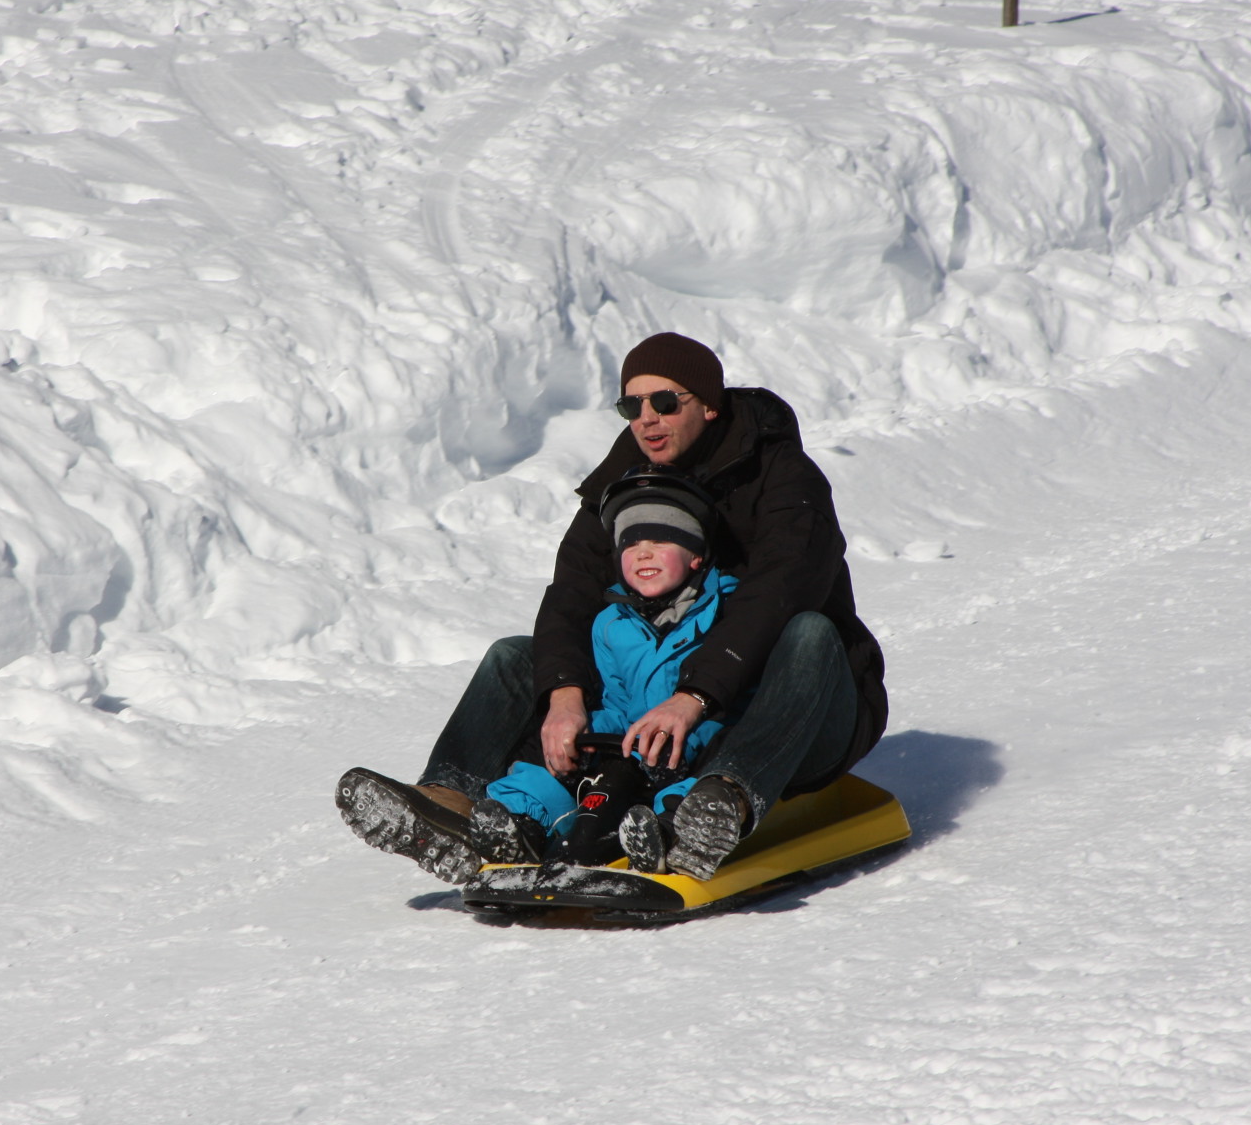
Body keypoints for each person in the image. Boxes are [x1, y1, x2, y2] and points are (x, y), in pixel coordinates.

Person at [336, 331, 886, 884]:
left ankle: (717, 807)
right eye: (633, 405)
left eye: (667, 401)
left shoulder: (785, 477)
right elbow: (572, 593)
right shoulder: (627, 478)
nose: (647, 418)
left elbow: (779, 594)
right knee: (515, 658)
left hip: (807, 711)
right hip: (664, 698)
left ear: (709, 404)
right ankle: (448, 803)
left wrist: (693, 697)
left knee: (809, 632)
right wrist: (564, 695)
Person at [467, 465, 735, 872]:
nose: (643, 551)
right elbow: (617, 699)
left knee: (698, 782)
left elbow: (734, 700)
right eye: (631, 543)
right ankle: (520, 821)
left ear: (695, 555)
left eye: (661, 539)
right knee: (561, 765)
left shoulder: (725, 615)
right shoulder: (611, 624)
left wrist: (677, 742)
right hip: (629, 750)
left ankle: (670, 833)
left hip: (691, 749)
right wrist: (592, 735)